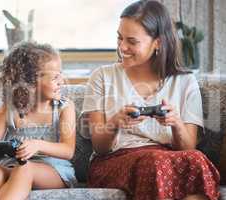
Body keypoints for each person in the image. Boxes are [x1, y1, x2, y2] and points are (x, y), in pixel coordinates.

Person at [80, 1, 220, 200]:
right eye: (119, 38)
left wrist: (176, 124)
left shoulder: (185, 82)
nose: (122, 47)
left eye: (132, 41)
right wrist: (116, 122)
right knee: (154, 161)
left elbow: (187, 149)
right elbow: (100, 147)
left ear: (158, 43)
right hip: (114, 161)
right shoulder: (102, 77)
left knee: (197, 159)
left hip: (166, 159)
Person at [0, 41, 77, 200]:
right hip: (13, 166)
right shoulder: (7, 111)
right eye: (55, 77)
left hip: (53, 170)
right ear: (31, 84)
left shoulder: (64, 107)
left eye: (60, 74)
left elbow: (68, 151)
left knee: (25, 169)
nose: (61, 81)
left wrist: (38, 145)